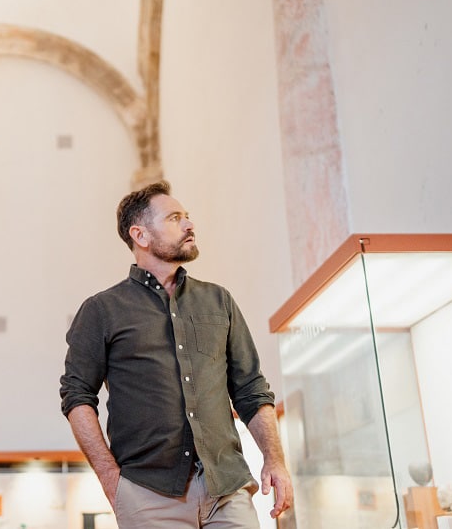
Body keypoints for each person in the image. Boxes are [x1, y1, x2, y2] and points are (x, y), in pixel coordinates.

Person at [60, 181, 292, 528]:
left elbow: (251, 390)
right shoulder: (101, 310)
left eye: (187, 216)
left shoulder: (219, 300)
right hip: (148, 495)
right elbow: (77, 396)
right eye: (174, 218)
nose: (189, 225)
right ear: (140, 235)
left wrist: (275, 460)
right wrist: (111, 479)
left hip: (226, 488)